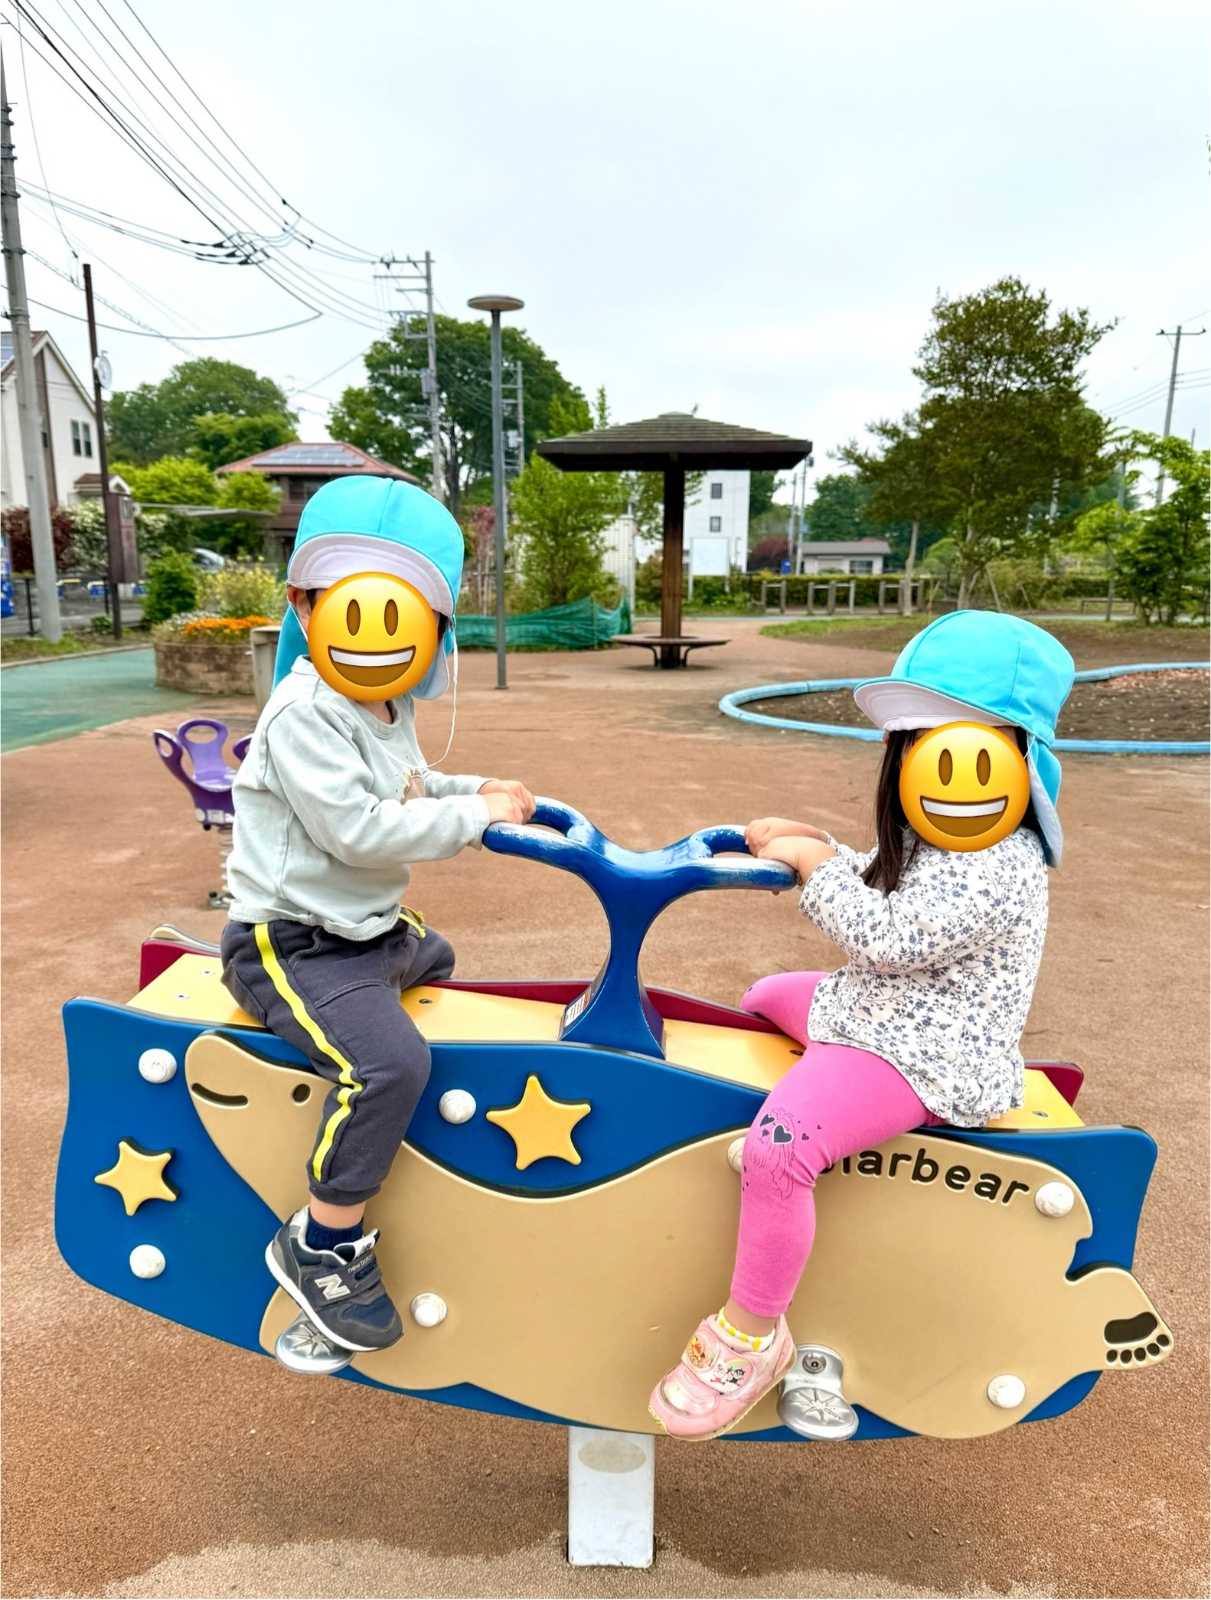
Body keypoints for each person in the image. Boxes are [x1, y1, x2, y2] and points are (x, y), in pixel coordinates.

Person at [649, 611, 1075, 1440]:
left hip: (922, 1054)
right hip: (880, 1010)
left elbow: (888, 935)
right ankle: (810, 1109)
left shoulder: (998, 863)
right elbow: (888, 889)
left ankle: (750, 1334)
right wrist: (814, 844)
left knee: (777, 1150)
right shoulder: (946, 837)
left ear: (1013, 761)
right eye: (914, 748)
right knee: (768, 993)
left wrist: (812, 866)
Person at [221, 476, 536, 1360]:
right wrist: (473, 819)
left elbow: (409, 786)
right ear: (304, 608)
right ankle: (322, 1242)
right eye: (349, 607)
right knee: (391, 1064)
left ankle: (381, 1113)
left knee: (433, 958)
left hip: (365, 931)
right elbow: (358, 830)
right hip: (293, 944)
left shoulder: (380, 703)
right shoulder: (303, 713)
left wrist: (479, 788)